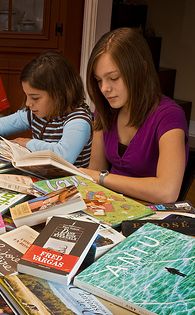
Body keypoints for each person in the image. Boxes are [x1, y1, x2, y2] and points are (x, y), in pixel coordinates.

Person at [79, 27, 188, 203]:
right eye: (99, 80)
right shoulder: (105, 110)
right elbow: (96, 171)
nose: (104, 89)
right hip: (107, 206)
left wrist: (101, 178)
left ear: (141, 69)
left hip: (149, 216)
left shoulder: (169, 116)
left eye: (113, 78)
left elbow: (167, 192)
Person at [0, 51, 93, 167]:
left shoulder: (79, 120)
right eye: (26, 96)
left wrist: (28, 143)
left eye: (35, 98)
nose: (28, 103)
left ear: (59, 94)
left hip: (72, 188)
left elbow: (64, 155)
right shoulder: (35, 114)